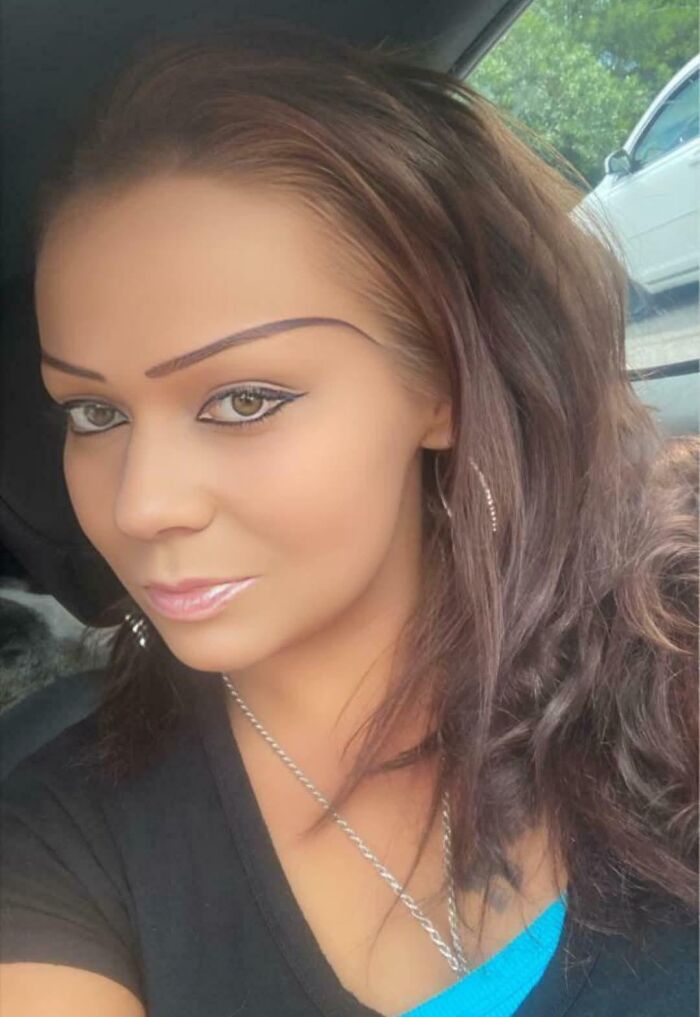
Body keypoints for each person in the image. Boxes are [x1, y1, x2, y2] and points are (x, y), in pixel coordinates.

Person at [0, 22, 697, 1017]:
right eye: (94, 413)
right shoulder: (56, 851)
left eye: (243, 400)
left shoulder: (666, 640)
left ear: (444, 385)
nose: (141, 503)